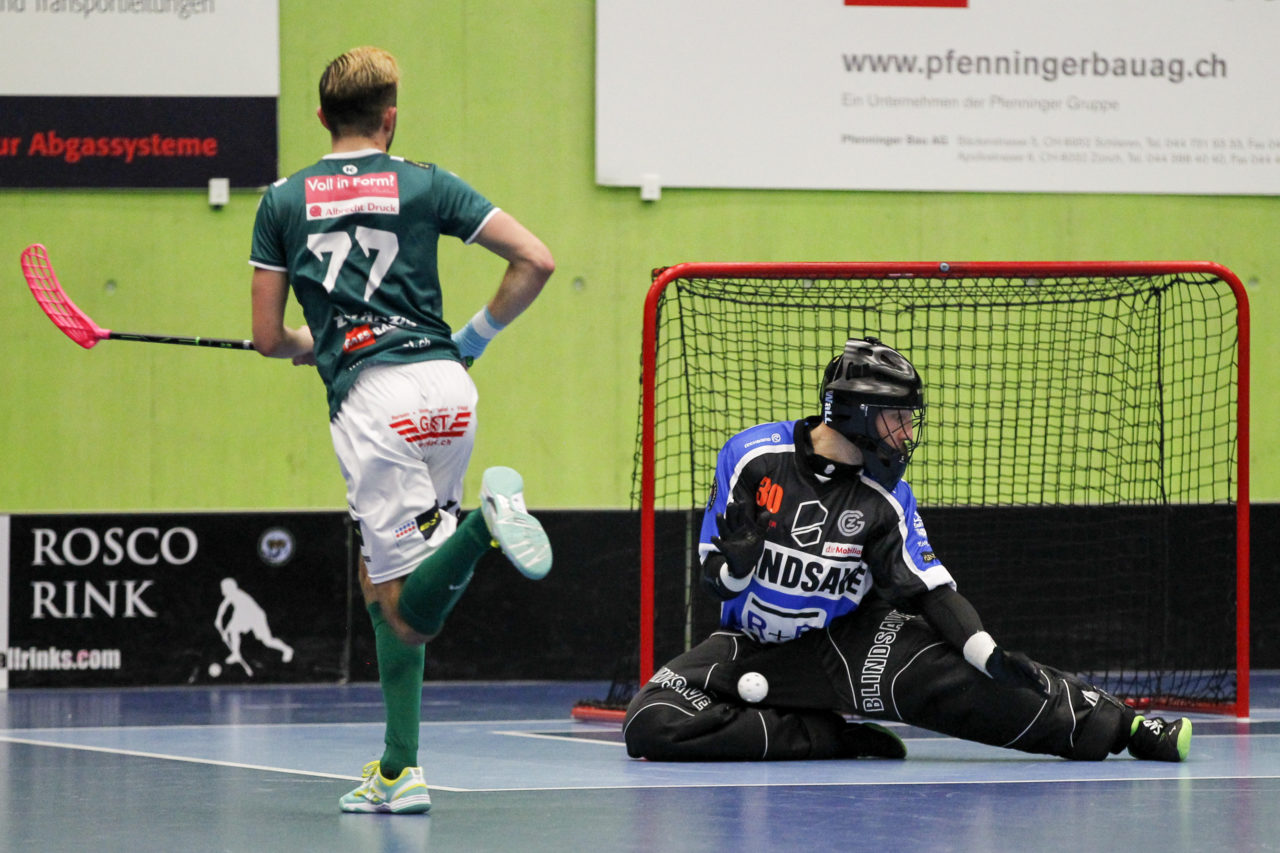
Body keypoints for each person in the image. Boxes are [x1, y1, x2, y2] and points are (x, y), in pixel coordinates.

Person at [624, 337, 1192, 764]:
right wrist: (738, 567)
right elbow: (714, 582)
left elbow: (929, 591)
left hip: (854, 643)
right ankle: (829, 735)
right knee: (651, 722)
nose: (905, 433)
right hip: (753, 647)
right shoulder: (752, 457)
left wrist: (985, 653)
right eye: (897, 418)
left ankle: (1128, 727)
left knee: (986, 688)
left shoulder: (887, 498)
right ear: (856, 414)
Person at [249, 46, 555, 814]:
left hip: (375, 403)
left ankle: (485, 528)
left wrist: (311, 344)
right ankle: (397, 768)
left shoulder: (283, 199)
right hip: (449, 389)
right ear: (391, 118)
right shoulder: (425, 181)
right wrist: (475, 336)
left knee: (400, 610)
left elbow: (266, 336)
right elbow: (536, 260)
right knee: (381, 571)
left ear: (321, 117)